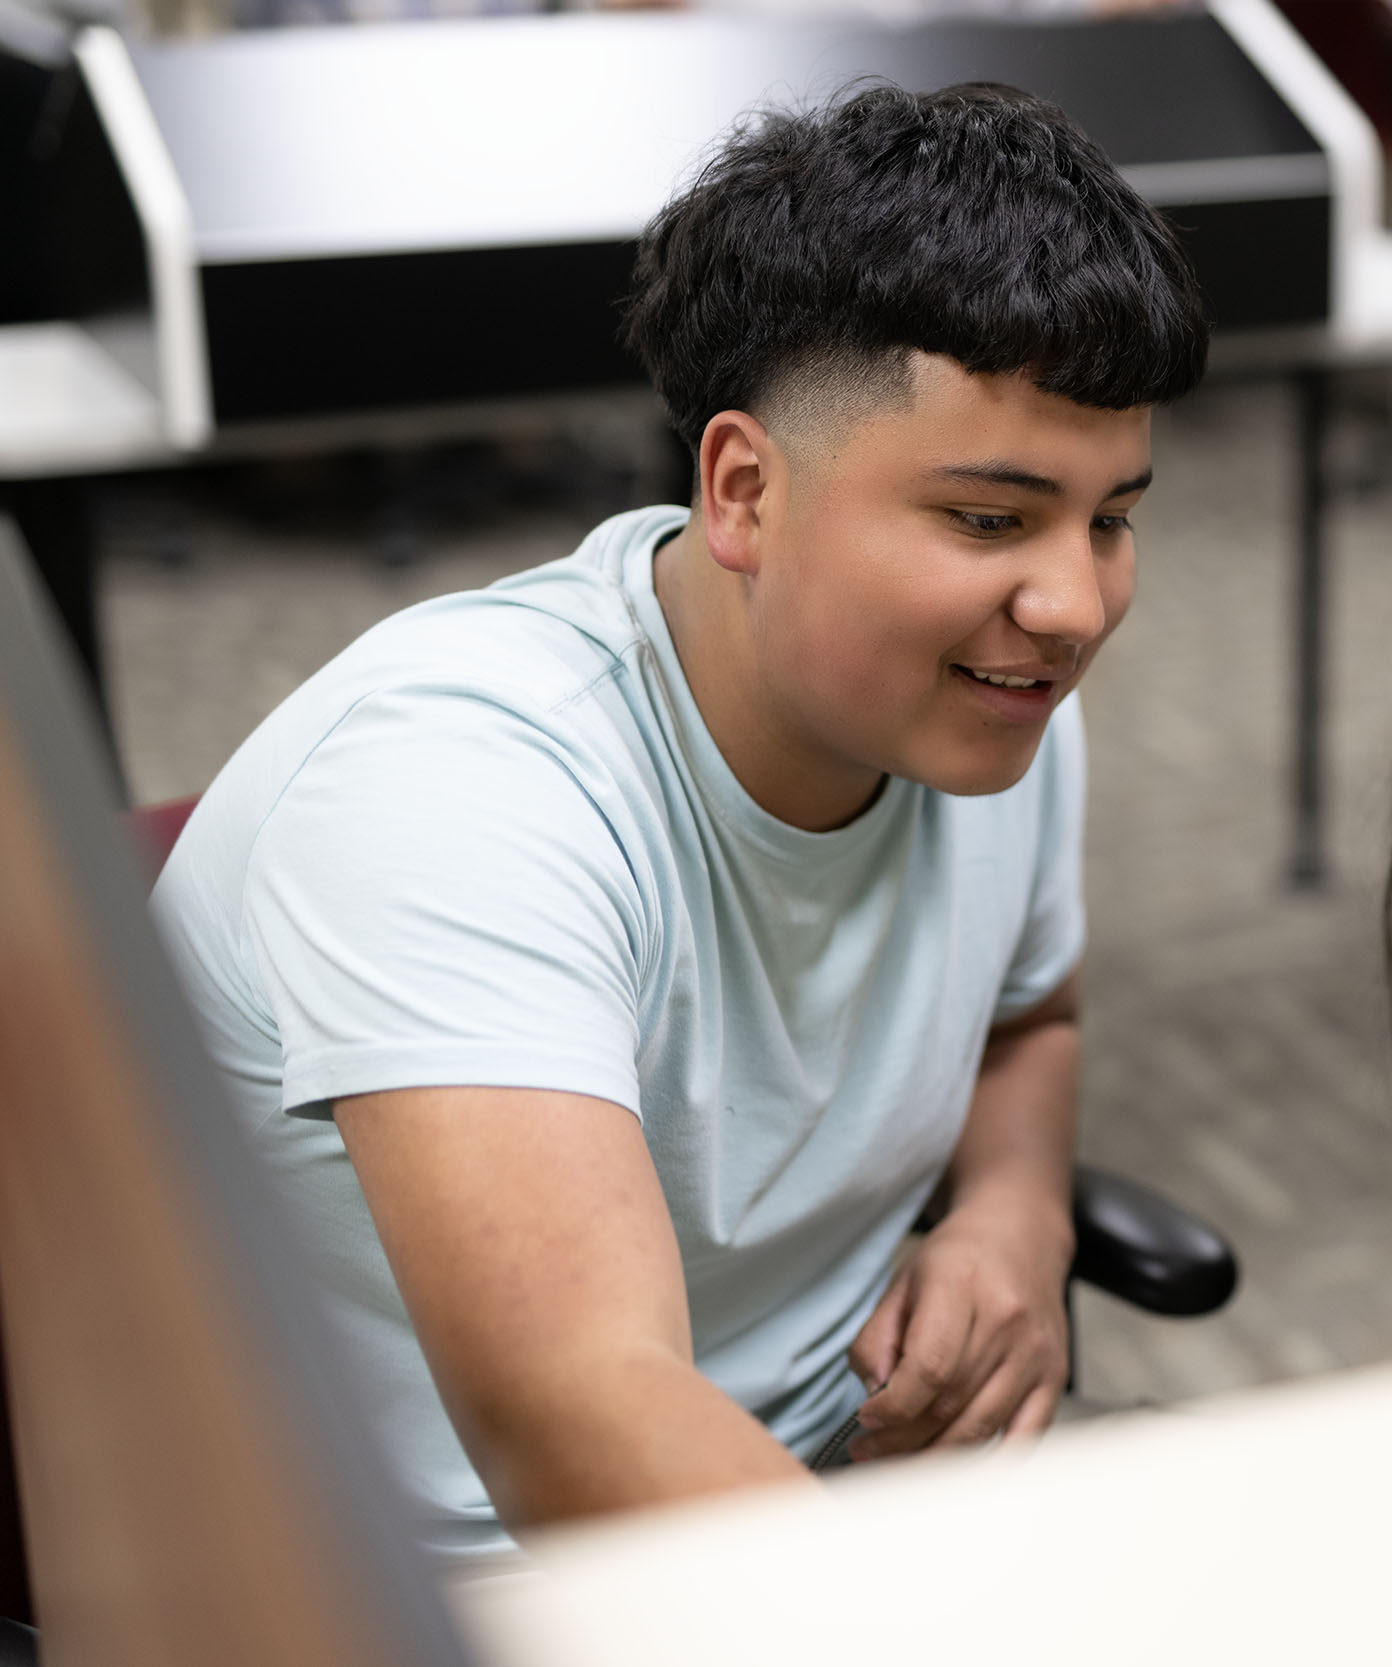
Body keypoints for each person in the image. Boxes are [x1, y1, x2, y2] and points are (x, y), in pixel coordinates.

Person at [150, 82, 1205, 1555]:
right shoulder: (459, 789)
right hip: (436, 1587)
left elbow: (1036, 1013)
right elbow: (578, 1419)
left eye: (1112, 516)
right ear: (743, 490)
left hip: (819, 1496)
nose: (1075, 604)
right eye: (989, 517)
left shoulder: (998, 696)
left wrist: (1013, 1216)